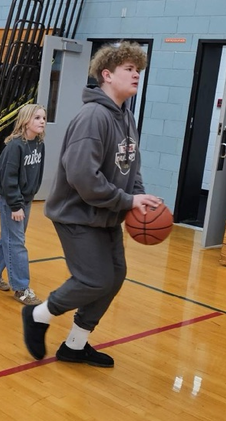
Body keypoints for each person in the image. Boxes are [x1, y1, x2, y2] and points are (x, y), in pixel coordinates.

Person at [22, 41, 161, 368]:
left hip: (106, 214)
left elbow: (131, 169)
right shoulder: (93, 117)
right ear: (107, 74)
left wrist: (136, 199)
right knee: (94, 280)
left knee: (115, 276)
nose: (136, 75)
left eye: (138, 70)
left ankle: (75, 344)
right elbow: (83, 177)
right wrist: (126, 200)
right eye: (129, 69)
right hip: (76, 214)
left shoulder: (126, 117)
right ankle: (38, 314)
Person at [0, 104, 46, 306]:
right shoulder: (15, 146)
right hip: (11, 202)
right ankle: (21, 288)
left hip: (24, 200)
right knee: (17, 244)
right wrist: (15, 205)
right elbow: (8, 178)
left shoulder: (39, 144)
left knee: (9, 239)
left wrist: (28, 197)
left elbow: (36, 174)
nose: (42, 121)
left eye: (43, 118)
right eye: (37, 118)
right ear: (26, 120)